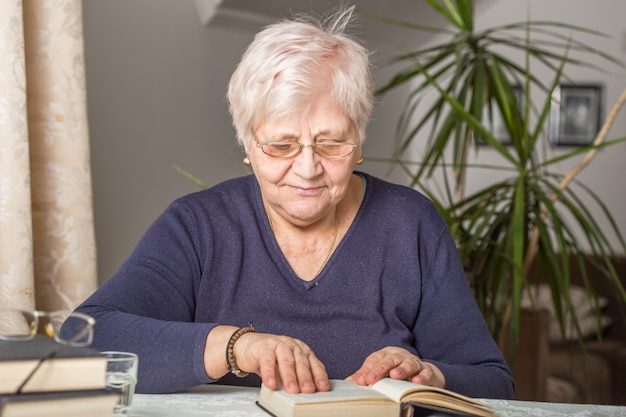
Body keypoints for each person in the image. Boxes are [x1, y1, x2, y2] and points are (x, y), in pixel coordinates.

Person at [75, 6, 514, 399]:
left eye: (331, 143)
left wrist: (430, 375)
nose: (307, 169)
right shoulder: (198, 226)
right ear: (247, 144)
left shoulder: (411, 223)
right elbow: (86, 339)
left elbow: (493, 381)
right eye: (281, 146)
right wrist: (238, 346)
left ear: (358, 141)